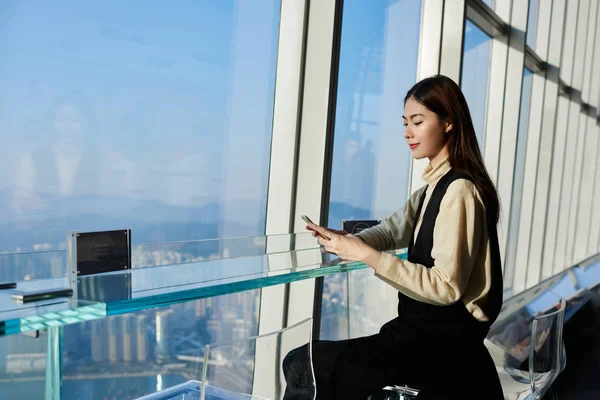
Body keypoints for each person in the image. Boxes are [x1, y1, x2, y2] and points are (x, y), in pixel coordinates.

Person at [282, 75, 504, 400]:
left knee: (305, 365)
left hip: (441, 346)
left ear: (448, 124)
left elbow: (446, 287)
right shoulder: (432, 189)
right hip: (421, 335)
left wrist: (365, 255)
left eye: (417, 121)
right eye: (405, 123)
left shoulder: (460, 192)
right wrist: (346, 239)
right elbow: (390, 231)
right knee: (303, 363)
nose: (407, 133)